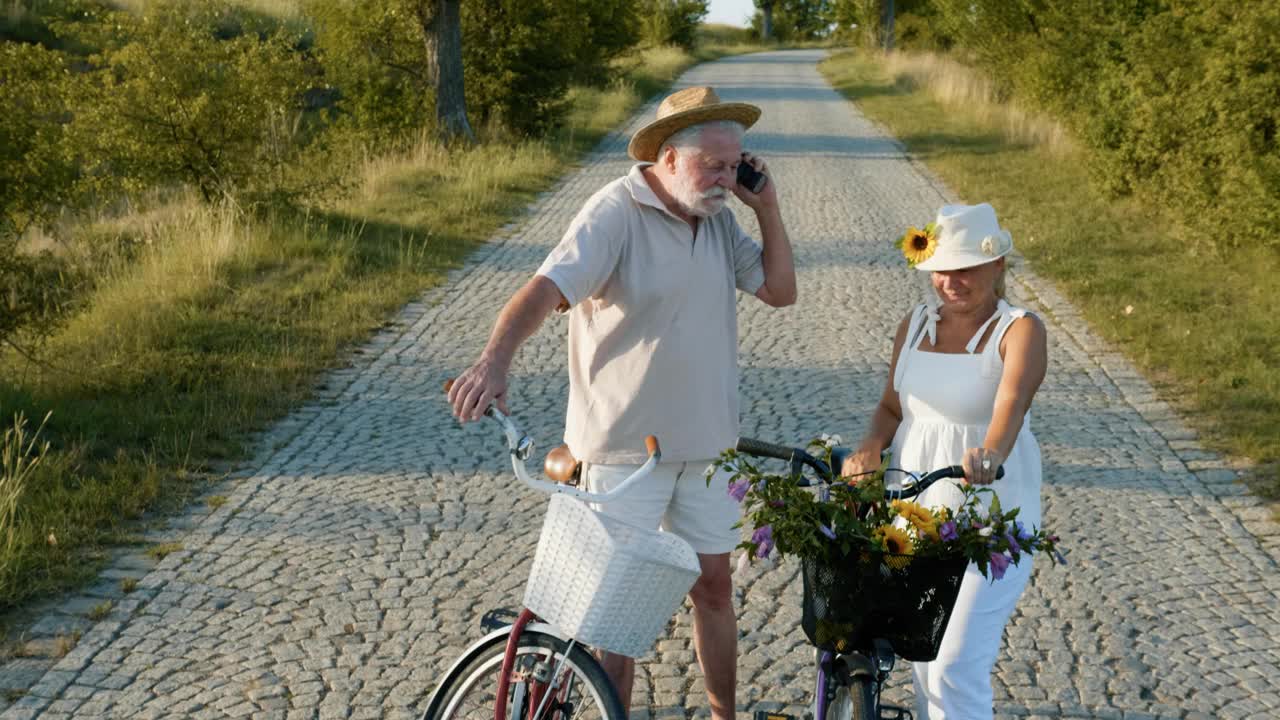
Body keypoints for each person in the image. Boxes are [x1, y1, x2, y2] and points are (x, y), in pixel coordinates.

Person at [448, 85, 797, 720]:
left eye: (736, 163)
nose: (728, 177)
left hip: (707, 446)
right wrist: (493, 361)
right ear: (668, 158)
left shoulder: (719, 218)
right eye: (714, 164)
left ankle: (725, 715)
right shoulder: (614, 211)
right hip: (620, 449)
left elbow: (779, 291)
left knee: (714, 590)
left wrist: (766, 208)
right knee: (617, 612)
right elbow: (543, 289)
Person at [841, 203, 1047, 720]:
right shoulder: (913, 324)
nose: (951, 282)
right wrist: (870, 446)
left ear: (997, 265)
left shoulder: (1019, 329)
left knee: (955, 662)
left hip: (990, 516)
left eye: (965, 269)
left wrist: (991, 452)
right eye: (942, 270)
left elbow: (1011, 404)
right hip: (914, 514)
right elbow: (892, 406)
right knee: (924, 658)